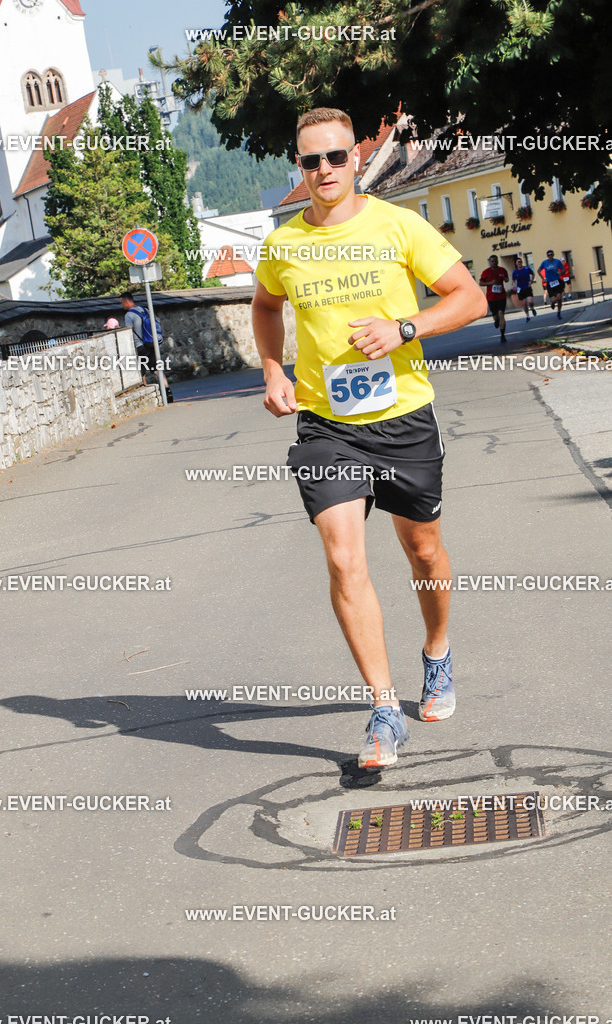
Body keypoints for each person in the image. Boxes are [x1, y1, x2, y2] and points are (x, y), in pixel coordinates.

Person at [252, 107, 486, 770]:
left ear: (355, 158)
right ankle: (384, 710)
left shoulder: (396, 224)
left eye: (334, 157)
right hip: (327, 427)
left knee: (425, 550)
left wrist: (404, 329)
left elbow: (469, 298)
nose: (323, 170)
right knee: (343, 558)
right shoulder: (284, 244)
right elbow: (266, 306)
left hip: (403, 416)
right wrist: (273, 368)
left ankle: (436, 654)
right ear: (297, 167)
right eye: (309, 161)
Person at [119, 291, 173, 400]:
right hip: (152, 343)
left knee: (141, 372)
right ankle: (167, 390)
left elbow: (129, 333)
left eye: (122, 303)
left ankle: (146, 397)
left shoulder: (129, 315)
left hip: (140, 346)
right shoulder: (145, 310)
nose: (121, 305)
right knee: (157, 369)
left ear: (126, 301)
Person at [479, 255, 509, 342]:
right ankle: (496, 321)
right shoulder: (486, 272)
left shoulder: (502, 270)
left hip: (501, 296)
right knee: (496, 316)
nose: (494, 263)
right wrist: (490, 283)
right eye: (492, 261)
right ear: (489, 262)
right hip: (491, 297)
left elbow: (507, 280)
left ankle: (502, 335)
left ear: (497, 261)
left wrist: (504, 278)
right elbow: (481, 283)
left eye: (495, 261)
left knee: (501, 314)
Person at [538, 250, 565, 319]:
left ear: (553, 255)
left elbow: (563, 270)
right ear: (547, 256)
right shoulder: (544, 263)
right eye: (549, 255)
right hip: (550, 283)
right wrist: (542, 278)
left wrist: (561, 273)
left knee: (559, 298)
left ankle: (559, 312)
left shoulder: (557, 261)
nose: (550, 256)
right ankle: (553, 303)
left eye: (551, 254)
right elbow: (538, 270)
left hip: (557, 282)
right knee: (553, 300)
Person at [511, 258, 537, 323]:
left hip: (527, 287)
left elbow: (533, 274)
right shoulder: (515, 272)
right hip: (520, 289)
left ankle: (532, 308)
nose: (519, 263)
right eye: (517, 262)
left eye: (520, 262)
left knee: (530, 301)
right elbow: (513, 280)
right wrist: (514, 286)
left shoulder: (526, 268)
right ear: (516, 264)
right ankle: (528, 316)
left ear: (522, 262)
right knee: (524, 304)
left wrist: (531, 281)